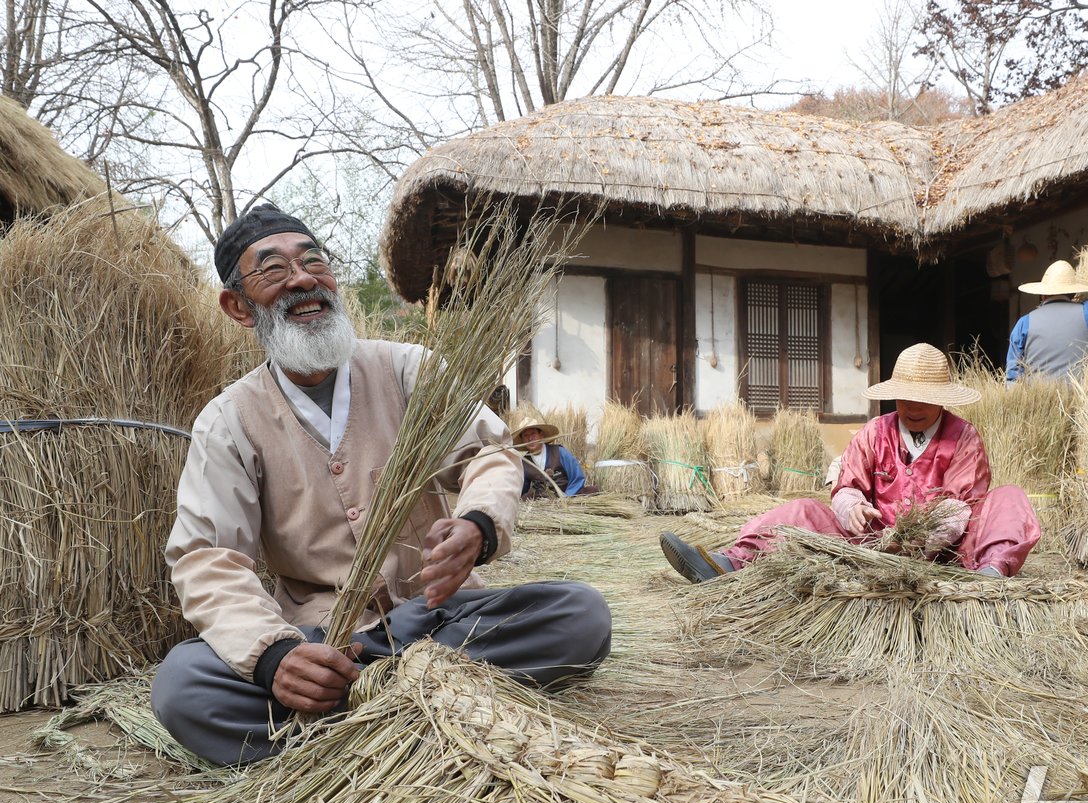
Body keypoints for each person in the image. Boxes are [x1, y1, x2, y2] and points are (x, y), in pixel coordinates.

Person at [151, 204, 611, 766]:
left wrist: (479, 525)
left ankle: (355, 721)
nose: (302, 280)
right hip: (324, 639)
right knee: (181, 684)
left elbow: (488, 454)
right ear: (237, 307)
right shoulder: (228, 420)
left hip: (437, 620)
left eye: (313, 261)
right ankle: (421, 707)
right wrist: (275, 658)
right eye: (273, 270)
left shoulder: (407, 368)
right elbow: (208, 558)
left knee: (580, 615)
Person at [659, 343, 1041, 581]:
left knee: (1009, 499)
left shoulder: (964, 438)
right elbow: (847, 485)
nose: (914, 407)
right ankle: (727, 564)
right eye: (905, 397)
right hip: (868, 545)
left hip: (946, 553)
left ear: (942, 399)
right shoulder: (875, 431)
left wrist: (921, 536)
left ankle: (990, 578)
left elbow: (962, 507)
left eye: (924, 399)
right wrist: (852, 508)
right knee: (802, 511)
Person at [1006, 253, 1088, 382]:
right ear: (1074, 294)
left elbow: (1013, 374)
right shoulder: (1087, 313)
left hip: (1037, 401)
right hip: (1079, 399)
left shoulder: (1024, 323)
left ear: (1042, 295)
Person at [514, 416, 595, 498]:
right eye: (526, 436)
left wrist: (566, 497)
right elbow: (521, 489)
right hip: (541, 503)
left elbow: (577, 478)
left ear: (541, 435)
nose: (530, 439)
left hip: (567, 496)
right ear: (522, 440)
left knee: (592, 491)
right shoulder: (524, 463)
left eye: (533, 434)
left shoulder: (559, 452)